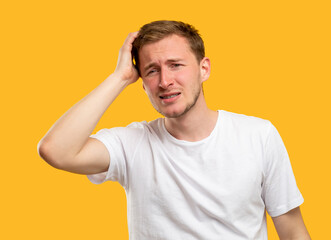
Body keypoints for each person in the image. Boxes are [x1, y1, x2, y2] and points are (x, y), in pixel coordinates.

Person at [38, 20, 311, 239]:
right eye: (152, 71)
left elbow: (292, 230)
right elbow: (55, 150)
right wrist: (119, 77)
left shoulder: (259, 135)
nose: (165, 81)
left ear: (204, 69)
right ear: (142, 84)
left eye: (176, 65)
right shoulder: (132, 144)